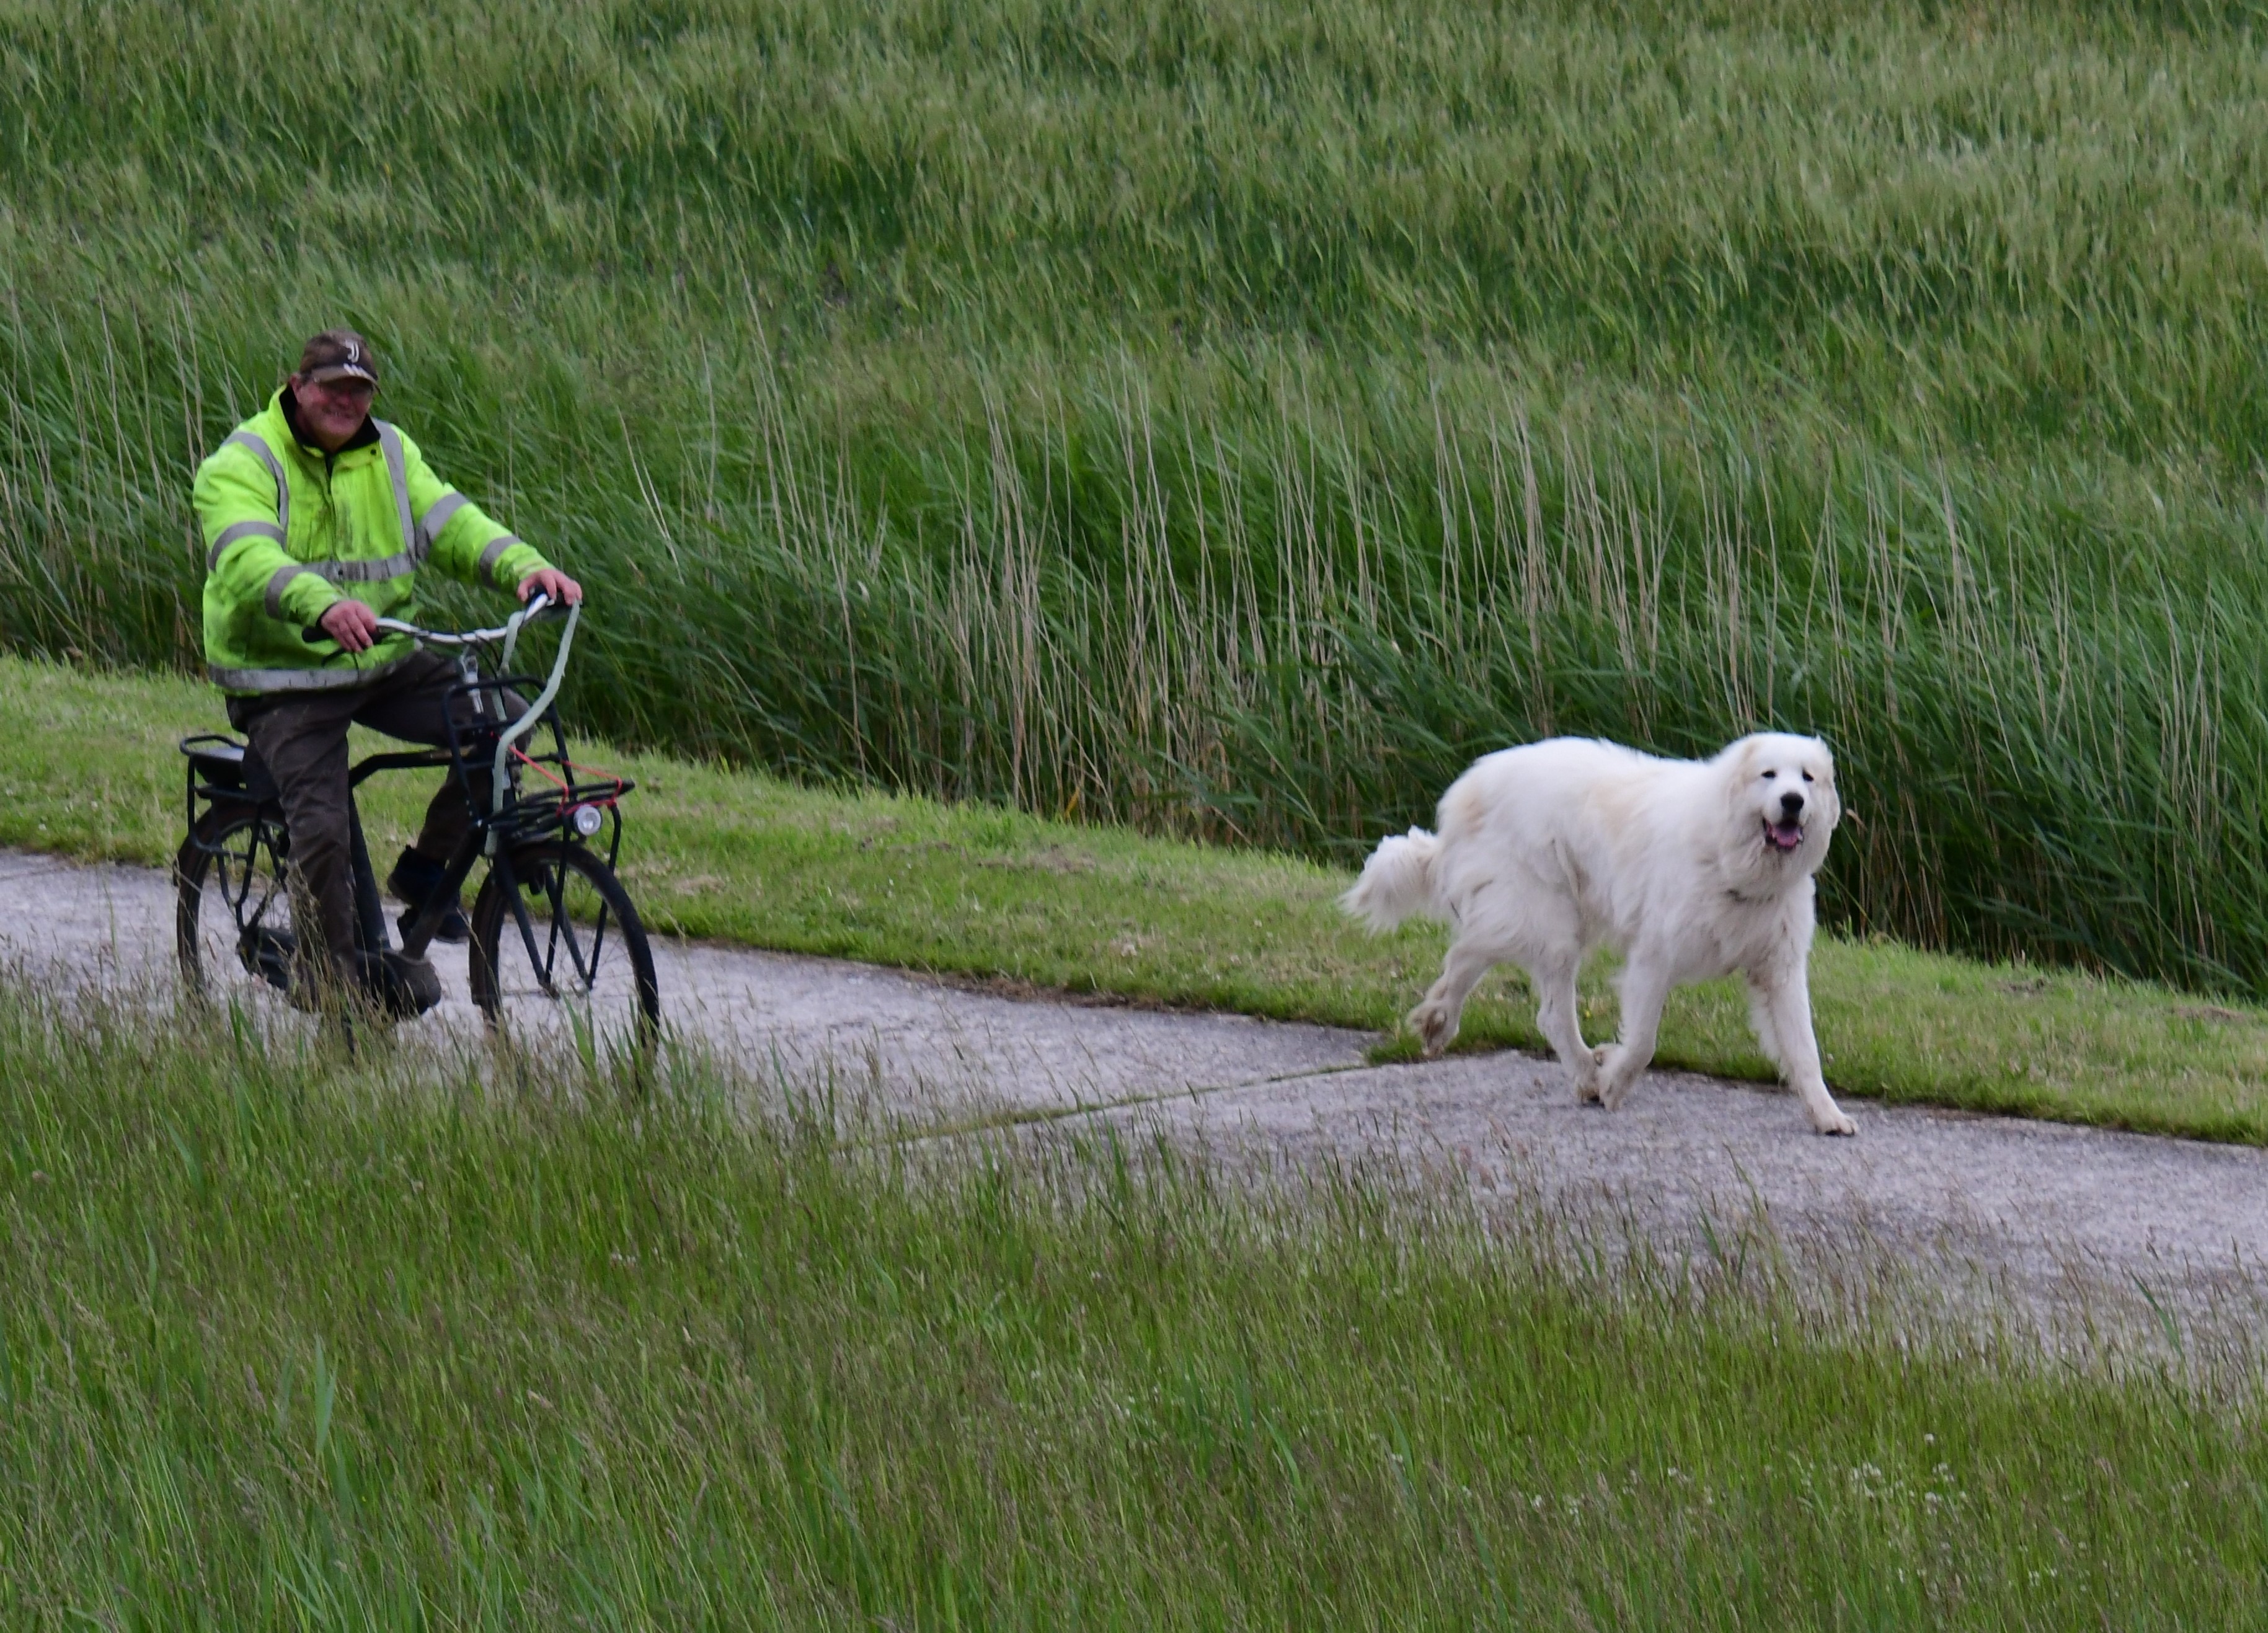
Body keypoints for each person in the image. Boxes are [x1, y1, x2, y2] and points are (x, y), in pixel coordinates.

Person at [193, 327, 582, 1007]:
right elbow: (247, 557)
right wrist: (321, 604)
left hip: (382, 662)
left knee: (503, 725)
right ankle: (334, 984)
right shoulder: (245, 460)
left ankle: (427, 873)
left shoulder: (392, 453)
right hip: (284, 680)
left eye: (360, 390)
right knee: (322, 832)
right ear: (297, 387)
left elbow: (454, 524)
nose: (346, 401)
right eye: (331, 388)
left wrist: (527, 568)